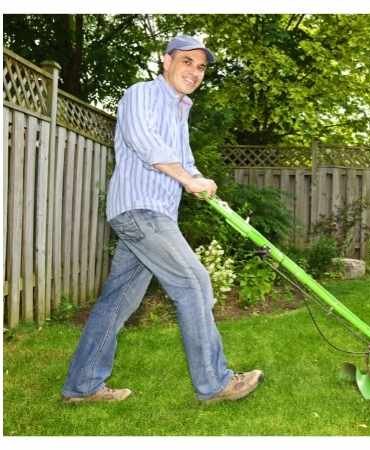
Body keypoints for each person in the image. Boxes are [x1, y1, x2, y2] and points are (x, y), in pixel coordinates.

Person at [61, 35, 262, 404]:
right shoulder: (141, 94)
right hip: (142, 210)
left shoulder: (179, 109)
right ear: (166, 61)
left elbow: (183, 161)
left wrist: (200, 181)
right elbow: (144, 142)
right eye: (187, 61)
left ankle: (82, 386)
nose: (195, 71)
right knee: (194, 283)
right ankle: (215, 384)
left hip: (152, 213)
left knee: (117, 302)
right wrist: (187, 179)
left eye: (201, 67)